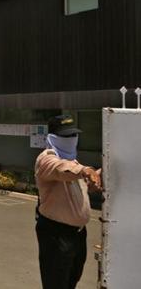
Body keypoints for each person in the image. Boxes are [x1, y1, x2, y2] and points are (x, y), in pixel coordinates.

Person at [34, 115, 102, 289]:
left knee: (72, 278)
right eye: (66, 136)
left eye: (73, 135)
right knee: (56, 282)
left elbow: (79, 182)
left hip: (77, 233)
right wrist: (86, 170)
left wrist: (95, 179)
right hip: (57, 233)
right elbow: (61, 169)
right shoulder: (46, 159)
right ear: (52, 138)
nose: (71, 140)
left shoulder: (73, 162)